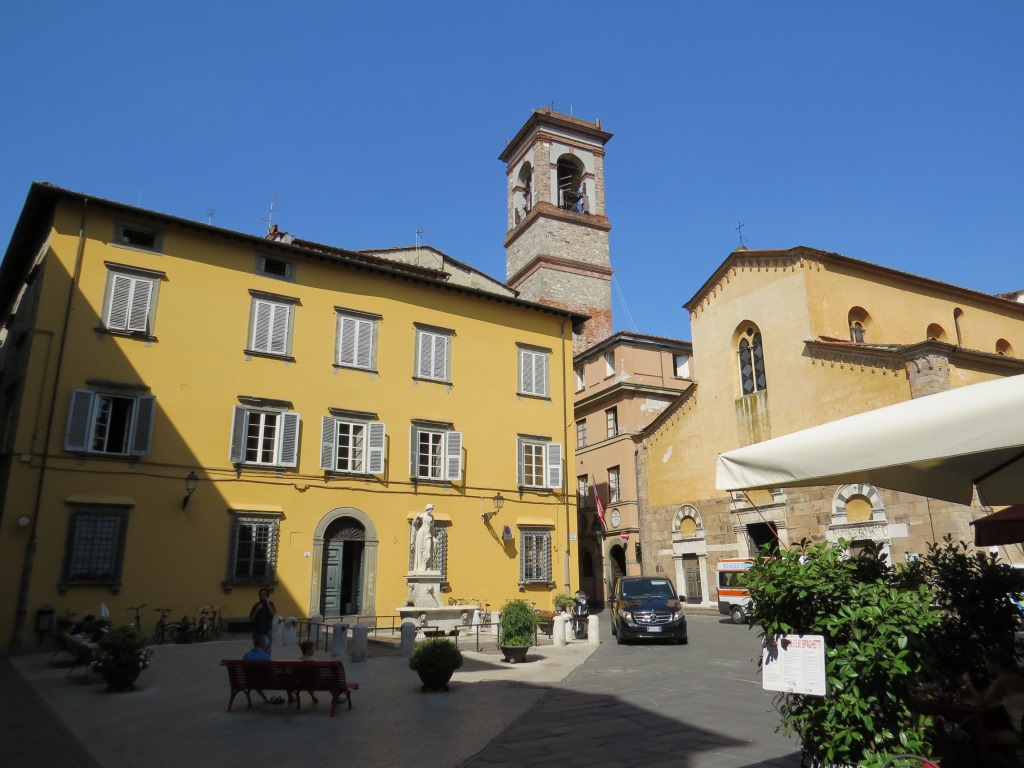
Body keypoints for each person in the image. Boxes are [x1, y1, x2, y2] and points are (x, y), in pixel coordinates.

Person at [962, 646, 1024, 751]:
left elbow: (982, 702)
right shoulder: (1016, 676)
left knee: (983, 737)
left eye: (986, 661)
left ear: (995, 663)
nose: (985, 665)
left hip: (1021, 732)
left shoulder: (1003, 680)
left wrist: (968, 682)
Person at [243, 635, 285, 705]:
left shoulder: (246, 655)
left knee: (255, 677)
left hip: (250, 681)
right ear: (264, 645)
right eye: (267, 644)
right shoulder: (265, 657)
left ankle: (266, 698)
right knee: (285, 677)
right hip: (265, 682)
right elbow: (271, 672)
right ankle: (291, 698)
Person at [287, 640, 319, 705]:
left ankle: (291, 698)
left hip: (299, 683)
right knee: (309, 680)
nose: (314, 650)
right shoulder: (314, 661)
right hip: (312, 683)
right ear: (307, 650)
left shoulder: (297, 662)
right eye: (313, 648)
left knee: (288, 682)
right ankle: (313, 697)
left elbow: (293, 674)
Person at [249, 588, 277, 653]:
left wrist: (267, 603)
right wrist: (257, 610)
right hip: (257, 632)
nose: (262, 595)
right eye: (261, 594)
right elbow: (251, 618)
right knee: (257, 650)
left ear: (267, 595)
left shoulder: (270, 604)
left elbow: (273, 614)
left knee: (267, 650)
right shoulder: (256, 605)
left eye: (264, 594)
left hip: (267, 631)